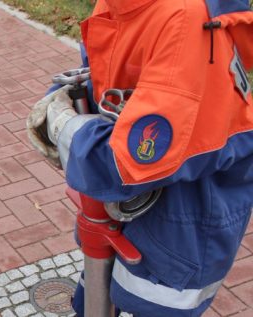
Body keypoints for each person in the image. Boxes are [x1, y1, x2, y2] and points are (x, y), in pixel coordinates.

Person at [28, 0, 252, 315]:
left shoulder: (182, 19)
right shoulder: (119, 5)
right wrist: (71, 93)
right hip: (135, 206)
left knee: (150, 304)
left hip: (184, 221)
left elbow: (126, 165)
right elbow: (107, 77)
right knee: (93, 298)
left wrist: (64, 127)